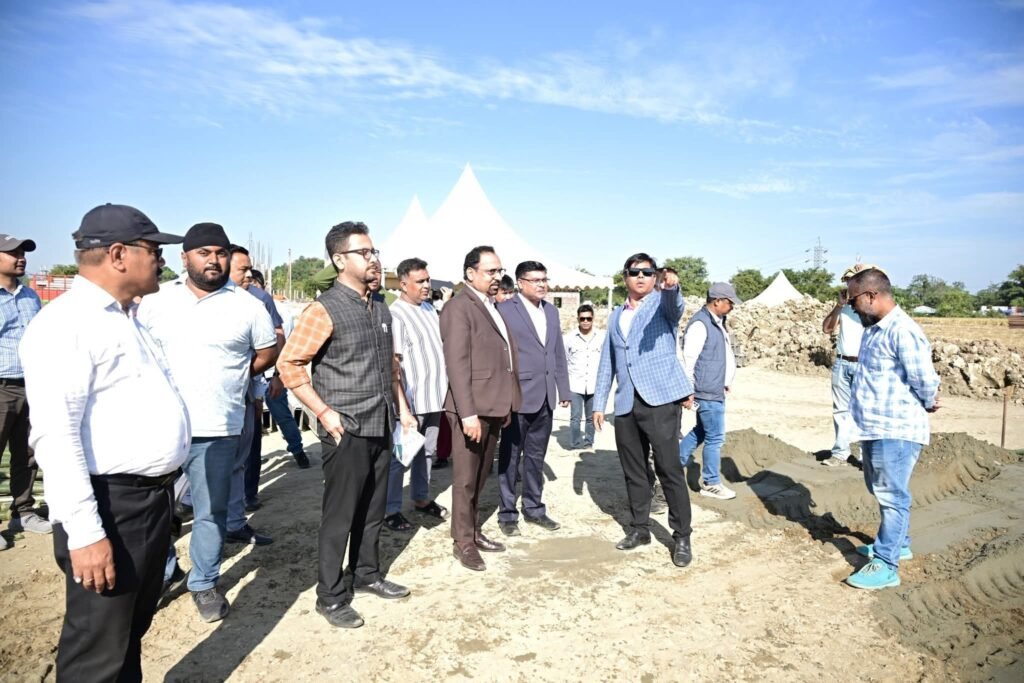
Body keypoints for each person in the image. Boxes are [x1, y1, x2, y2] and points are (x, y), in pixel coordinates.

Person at [20, 203, 189, 680]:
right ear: (118, 254)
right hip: (111, 507)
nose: (161, 261)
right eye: (153, 250)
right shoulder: (68, 324)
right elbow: (56, 435)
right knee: (98, 650)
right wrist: (87, 534)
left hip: (148, 502)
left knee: (127, 634)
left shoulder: (126, 317)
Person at [137, 223, 277, 622]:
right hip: (160, 425)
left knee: (211, 511)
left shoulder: (248, 306)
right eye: (204, 253)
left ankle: (203, 582)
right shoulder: (156, 301)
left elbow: (267, 352)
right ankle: (164, 572)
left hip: (218, 426)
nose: (213, 260)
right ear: (185, 258)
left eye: (220, 253)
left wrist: (233, 376)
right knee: (154, 512)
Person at [278, 221, 411, 630]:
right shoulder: (323, 309)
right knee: (339, 517)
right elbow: (289, 364)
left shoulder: (380, 307)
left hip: (381, 422)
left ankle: (367, 574)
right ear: (339, 260)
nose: (374, 259)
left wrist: (402, 410)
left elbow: (391, 367)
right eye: (364, 252)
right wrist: (323, 411)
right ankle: (331, 595)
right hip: (345, 429)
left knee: (372, 509)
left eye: (374, 251)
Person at [593, 254, 695, 567]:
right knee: (634, 471)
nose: (640, 277)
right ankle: (640, 529)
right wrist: (599, 403)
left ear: (655, 277)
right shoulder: (615, 316)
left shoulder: (662, 304)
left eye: (647, 272)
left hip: (660, 399)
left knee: (669, 469)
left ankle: (682, 536)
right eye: (634, 272)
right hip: (626, 403)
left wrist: (671, 286)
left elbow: (675, 306)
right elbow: (608, 360)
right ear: (625, 276)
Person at [845, 267, 940, 590]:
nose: (851, 306)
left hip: (896, 428)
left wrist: (929, 400)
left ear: (872, 296)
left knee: (892, 495)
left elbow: (924, 377)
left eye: (853, 300)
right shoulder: (874, 329)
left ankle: (886, 564)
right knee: (880, 489)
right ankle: (899, 543)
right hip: (873, 426)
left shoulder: (902, 330)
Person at [440, 246, 521, 571]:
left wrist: (506, 402)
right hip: (471, 409)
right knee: (465, 480)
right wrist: (467, 413)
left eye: (500, 271)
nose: (497, 276)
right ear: (470, 273)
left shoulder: (490, 305)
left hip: (493, 405)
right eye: (491, 271)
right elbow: (457, 364)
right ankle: (463, 542)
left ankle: (472, 530)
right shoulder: (459, 307)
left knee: (480, 475)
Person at [495, 261, 570, 536]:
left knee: (536, 457)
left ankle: (534, 508)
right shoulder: (504, 310)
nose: (542, 284)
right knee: (510, 456)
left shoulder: (551, 311)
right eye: (535, 280)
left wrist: (563, 388)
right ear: (520, 283)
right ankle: (507, 513)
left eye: (544, 279)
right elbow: (498, 354)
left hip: (546, 395)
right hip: (517, 395)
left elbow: (557, 351)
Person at [382, 258, 450, 531]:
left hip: (435, 397)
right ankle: (390, 509)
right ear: (403, 284)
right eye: (420, 281)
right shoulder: (396, 315)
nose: (426, 285)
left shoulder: (430, 309)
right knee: (402, 456)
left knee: (428, 452)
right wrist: (403, 406)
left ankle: (421, 498)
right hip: (412, 401)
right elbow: (394, 364)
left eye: (427, 280)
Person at [0, 233, 50, 549]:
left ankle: (23, 512)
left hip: (31, 385)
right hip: (1, 387)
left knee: (28, 454)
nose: (21, 258)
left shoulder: (30, 296)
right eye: (13, 253)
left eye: (22, 253)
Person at [678, 282, 742, 501]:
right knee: (715, 438)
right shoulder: (700, 324)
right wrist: (688, 391)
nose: (732, 307)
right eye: (730, 303)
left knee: (702, 431)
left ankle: (673, 464)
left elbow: (716, 356)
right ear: (717, 301)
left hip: (714, 388)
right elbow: (689, 360)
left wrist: (725, 379)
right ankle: (711, 482)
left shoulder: (717, 322)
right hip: (706, 392)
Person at [821, 264, 869, 467]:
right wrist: (839, 306)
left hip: (865, 364)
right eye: (848, 282)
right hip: (842, 362)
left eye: (853, 281)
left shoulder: (871, 308)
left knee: (865, 411)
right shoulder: (845, 308)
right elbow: (827, 329)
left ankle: (867, 457)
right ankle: (840, 453)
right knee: (840, 411)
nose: (849, 285)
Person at [563, 303, 604, 450]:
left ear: (593, 319)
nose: (585, 321)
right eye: (582, 319)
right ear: (578, 319)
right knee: (575, 417)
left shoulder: (601, 337)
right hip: (575, 384)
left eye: (588, 318)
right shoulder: (568, 338)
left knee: (591, 417)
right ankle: (575, 443)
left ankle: (588, 442)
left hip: (594, 384)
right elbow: (564, 362)